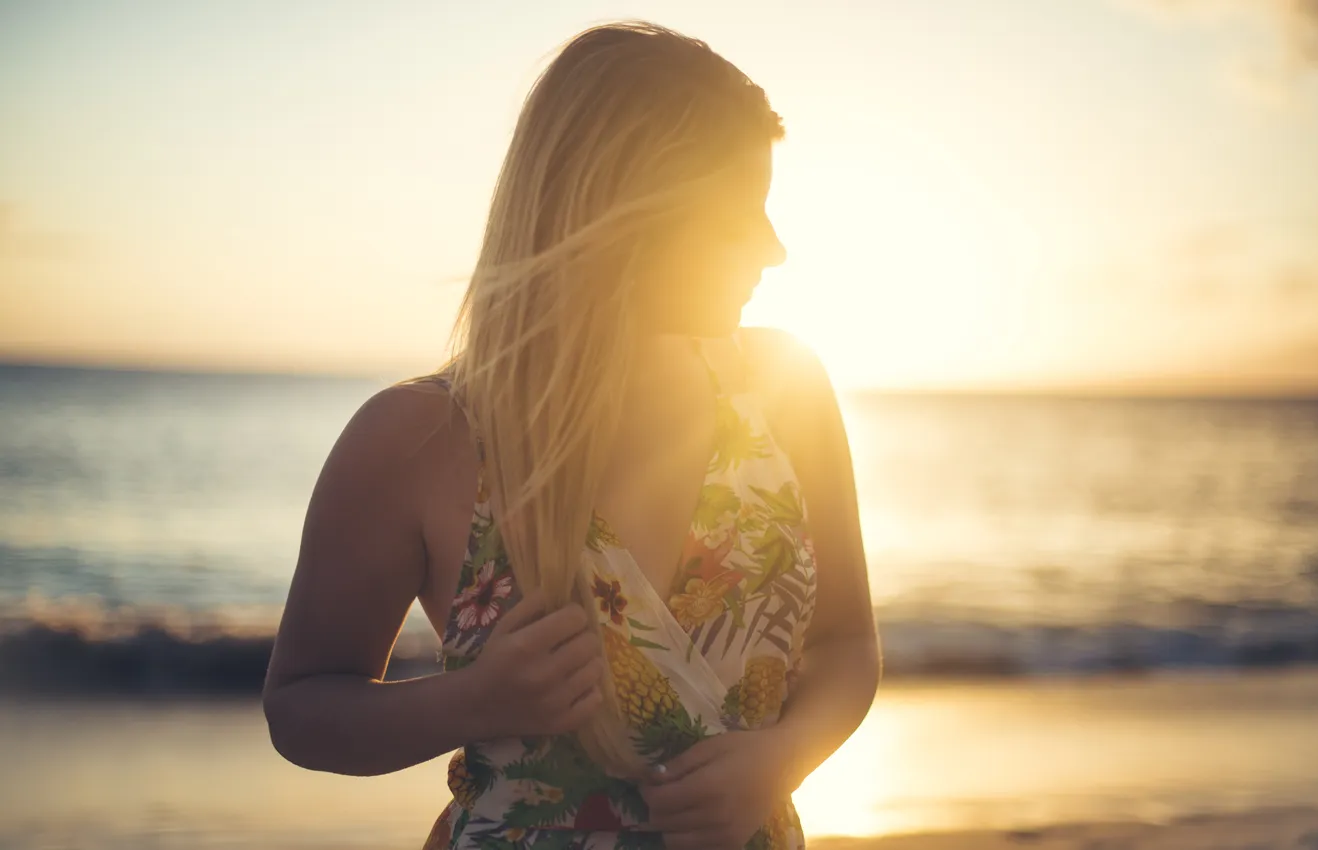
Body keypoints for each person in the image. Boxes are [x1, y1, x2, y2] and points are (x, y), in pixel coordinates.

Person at [262, 20, 881, 850]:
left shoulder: (785, 391)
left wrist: (777, 761)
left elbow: (847, 646)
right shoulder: (418, 439)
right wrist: (471, 702)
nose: (772, 247)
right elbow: (302, 707)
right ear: (626, 212)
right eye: (739, 212)